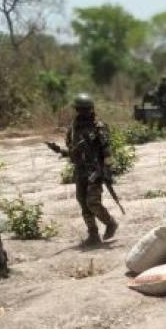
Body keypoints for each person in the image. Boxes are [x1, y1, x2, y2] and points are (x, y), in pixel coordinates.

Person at [59, 93, 118, 246]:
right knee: (82, 202)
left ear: (91, 109)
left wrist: (107, 171)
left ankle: (110, 223)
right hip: (80, 170)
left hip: (95, 170)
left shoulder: (99, 127)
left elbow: (107, 151)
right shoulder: (73, 127)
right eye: (79, 109)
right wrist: (67, 153)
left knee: (93, 202)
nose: (82, 112)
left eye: (85, 109)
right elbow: (71, 146)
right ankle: (93, 234)